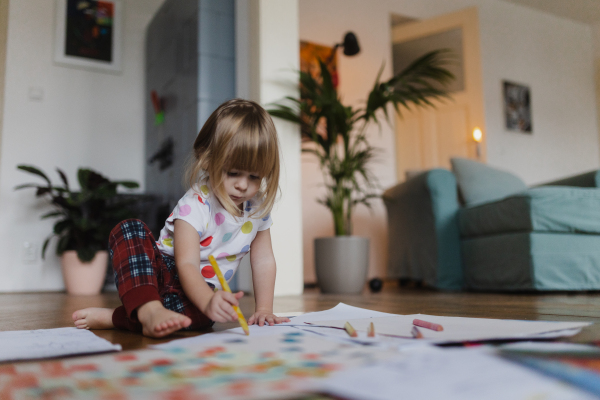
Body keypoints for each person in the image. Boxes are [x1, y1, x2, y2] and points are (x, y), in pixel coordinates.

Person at [72, 99, 290, 338]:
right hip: (161, 272)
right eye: (233, 173)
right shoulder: (195, 203)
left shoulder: (256, 208)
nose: (242, 185)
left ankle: (120, 316)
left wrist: (264, 309)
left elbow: (264, 261)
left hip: (198, 291)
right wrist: (207, 300)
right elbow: (186, 264)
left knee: (203, 317)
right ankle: (149, 309)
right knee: (129, 229)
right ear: (208, 160)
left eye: (254, 177)